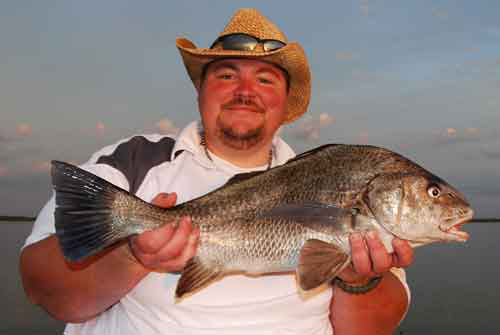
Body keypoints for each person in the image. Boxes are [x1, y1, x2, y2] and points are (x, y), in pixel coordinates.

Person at [20, 8, 413, 335]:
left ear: (284, 102)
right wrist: (133, 256)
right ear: (200, 89)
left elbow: (372, 328)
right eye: (226, 75)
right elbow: (43, 288)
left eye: (265, 78)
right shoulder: (134, 161)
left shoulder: (334, 181)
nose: (245, 90)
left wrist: (359, 279)